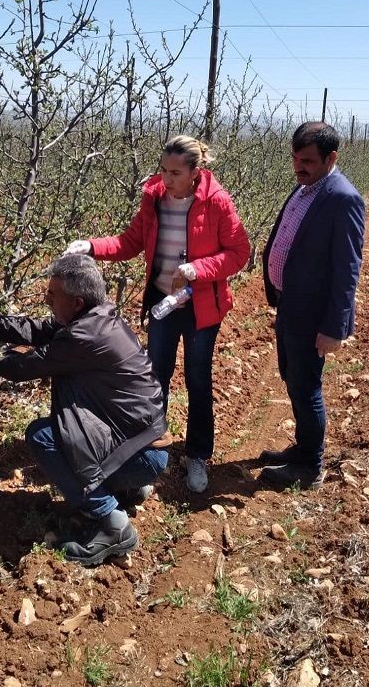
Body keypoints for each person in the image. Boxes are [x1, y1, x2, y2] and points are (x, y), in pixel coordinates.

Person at [0, 254, 170, 566]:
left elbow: (18, 367)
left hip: (141, 456)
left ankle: (112, 524)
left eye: (52, 295)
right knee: (71, 431)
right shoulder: (99, 319)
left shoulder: (84, 337)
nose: (47, 301)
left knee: (44, 437)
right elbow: (39, 329)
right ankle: (126, 489)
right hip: (141, 447)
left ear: (78, 302)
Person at [65, 135, 250, 493]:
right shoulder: (154, 199)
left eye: (176, 173)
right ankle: (149, 457)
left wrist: (200, 268)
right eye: (163, 170)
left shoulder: (217, 203)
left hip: (201, 308)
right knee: (153, 380)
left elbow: (238, 252)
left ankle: (197, 455)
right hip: (163, 304)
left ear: (196, 171)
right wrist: (91, 247)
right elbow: (130, 242)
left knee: (198, 379)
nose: (167, 179)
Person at [260, 121, 365, 489]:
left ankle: (310, 466)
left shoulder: (343, 198)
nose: (298, 166)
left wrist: (334, 328)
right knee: (293, 377)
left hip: (312, 313)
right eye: (295, 158)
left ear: (330, 158)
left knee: (306, 386)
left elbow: (347, 269)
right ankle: (303, 448)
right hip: (290, 305)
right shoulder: (305, 188)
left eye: (306, 160)